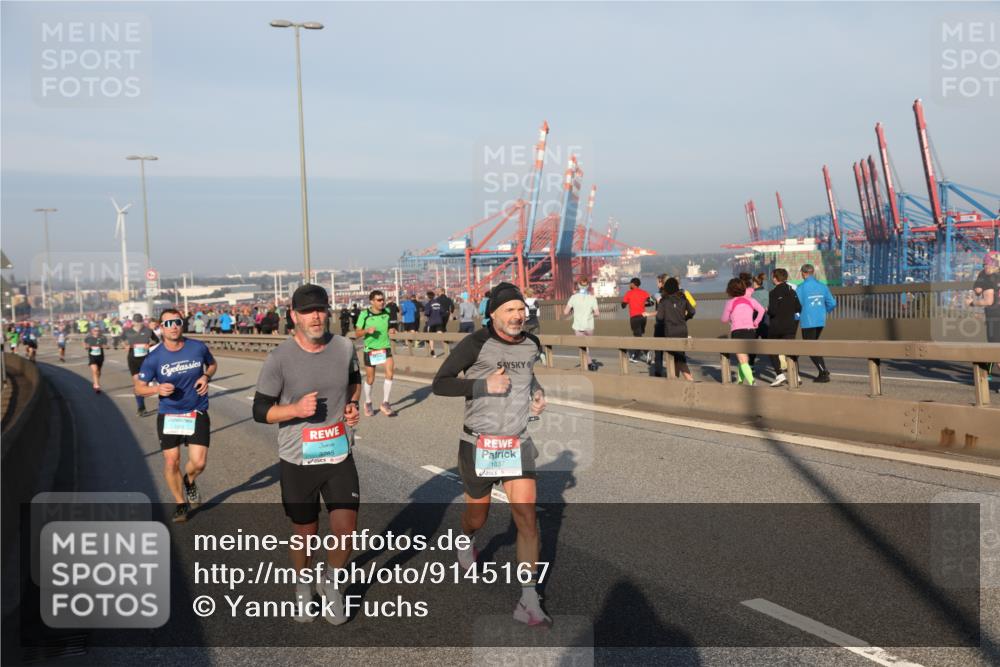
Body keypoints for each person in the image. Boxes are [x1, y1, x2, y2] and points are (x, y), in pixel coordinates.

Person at [431, 282, 552, 627]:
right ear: (493, 314)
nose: (517, 315)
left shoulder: (531, 344)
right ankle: (466, 538)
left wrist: (537, 393)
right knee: (477, 517)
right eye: (510, 310)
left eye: (521, 309)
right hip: (478, 444)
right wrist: (483, 385)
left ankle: (528, 599)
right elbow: (440, 383)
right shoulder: (475, 343)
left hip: (516, 442)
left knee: (527, 518)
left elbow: (528, 375)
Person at [252, 283, 362, 625]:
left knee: (346, 528)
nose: (315, 317)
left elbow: (354, 380)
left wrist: (352, 404)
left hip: (337, 452)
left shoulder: (344, 347)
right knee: (306, 533)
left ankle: (331, 582)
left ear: (328, 311)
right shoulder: (279, 358)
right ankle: (303, 584)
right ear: (293, 316)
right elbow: (260, 410)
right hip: (298, 459)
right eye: (307, 311)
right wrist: (295, 410)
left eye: (320, 309)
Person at [134, 308, 217, 523]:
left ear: (182, 324)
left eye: (177, 322)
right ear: (161, 328)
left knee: (199, 463)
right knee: (172, 462)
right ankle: (181, 504)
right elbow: (139, 388)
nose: (173, 327)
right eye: (168, 323)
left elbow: (212, 364)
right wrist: (156, 389)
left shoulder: (197, 347)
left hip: (196, 410)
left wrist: (206, 376)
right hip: (170, 414)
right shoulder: (154, 358)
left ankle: (189, 481)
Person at [356, 290, 397, 417]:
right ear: (372, 301)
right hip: (371, 350)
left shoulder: (387, 312)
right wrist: (367, 331)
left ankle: (385, 403)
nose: (382, 302)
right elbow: (357, 333)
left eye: (383, 299)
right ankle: (368, 402)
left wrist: (391, 329)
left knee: (390, 373)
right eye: (379, 300)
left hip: (385, 348)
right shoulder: (365, 314)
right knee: (370, 379)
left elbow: (390, 326)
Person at [796, 263, 837, 382]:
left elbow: (797, 305)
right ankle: (823, 370)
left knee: (810, 348)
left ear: (803, 273)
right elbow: (832, 303)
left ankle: (823, 373)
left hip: (808, 321)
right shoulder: (823, 286)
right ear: (812, 272)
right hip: (820, 320)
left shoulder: (801, 288)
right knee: (814, 346)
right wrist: (824, 311)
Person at [721, 278, 766, 385]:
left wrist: (731, 317)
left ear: (730, 290)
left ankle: (752, 382)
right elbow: (762, 310)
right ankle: (740, 381)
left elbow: (724, 319)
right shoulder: (751, 300)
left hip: (737, 332)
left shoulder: (730, 302)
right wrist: (756, 322)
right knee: (744, 358)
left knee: (742, 359)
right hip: (751, 331)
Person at [648, 278, 695, 381]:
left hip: (670, 331)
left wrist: (667, 317)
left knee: (678, 359)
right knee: (678, 357)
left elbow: (659, 317)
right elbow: (692, 311)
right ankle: (675, 380)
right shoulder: (683, 298)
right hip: (683, 331)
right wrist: (685, 318)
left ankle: (691, 381)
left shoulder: (664, 301)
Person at [767, 268, 802, 387]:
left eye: (773, 276)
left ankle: (779, 375)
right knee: (790, 350)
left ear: (775, 278)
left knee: (771, 349)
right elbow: (798, 308)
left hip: (776, 327)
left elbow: (773, 311)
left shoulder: (773, 292)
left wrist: (768, 310)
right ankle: (796, 375)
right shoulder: (792, 291)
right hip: (790, 326)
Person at [124, 313, 160, 417]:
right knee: (138, 384)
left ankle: (164, 403)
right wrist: (125, 345)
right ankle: (141, 407)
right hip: (133, 360)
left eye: (140, 322)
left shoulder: (148, 330)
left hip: (146, 360)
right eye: (136, 322)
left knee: (148, 383)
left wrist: (149, 345)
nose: (138, 324)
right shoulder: (127, 331)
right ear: (133, 322)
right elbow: (121, 341)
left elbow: (156, 340)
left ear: (142, 322)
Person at [564, 278, 600, 371]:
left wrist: (574, 310)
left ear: (578, 286)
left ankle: (589, 364)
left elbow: (565, 312)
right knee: (586, 346)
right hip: (589, 326)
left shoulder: (573, 298)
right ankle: (589, 364)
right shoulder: (592, 298)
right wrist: (589, 315)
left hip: (578, 326)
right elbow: (597, 313)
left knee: (582, 347)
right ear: (587, 286)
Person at [970, 250, 1000, 351]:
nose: (985, 266)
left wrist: (972, 303)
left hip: (995, 314)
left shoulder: (987, 276)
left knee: (994, 348)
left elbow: (987, 300)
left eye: (986, 264)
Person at [621, 278, 652, 363]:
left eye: (630, 283)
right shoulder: (644, 292)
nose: (629, 285)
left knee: (638, 337)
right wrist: (643, 304)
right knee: (639, 336)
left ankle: (646, 352)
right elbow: (651, 303)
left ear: (633, 284)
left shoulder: (629, 293)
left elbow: (623, 306)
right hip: (643, 317)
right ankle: (636, 356)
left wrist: (625, 302)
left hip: (634, 317)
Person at [83, 325, 107, 392]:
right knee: (95, 370)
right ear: (92, 331)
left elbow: (106, 345)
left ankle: (96, 382)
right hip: (92, 356)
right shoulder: (88, 337)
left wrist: (105, 346)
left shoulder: (103, 337)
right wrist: (86, 346)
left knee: (98, 372)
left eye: (98, 331)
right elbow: (85, 344)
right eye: (95, 331)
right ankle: (97, 385)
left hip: (100, 356)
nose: (97, 332)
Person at [424, 290, 445, 357]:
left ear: (428, 297)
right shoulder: (438, 303)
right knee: (441, 336)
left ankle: (433, 352)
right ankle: (446, 350)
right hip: (439, 321)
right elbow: (442, 311)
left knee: (431, 337)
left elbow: (427, 313)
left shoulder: (428, 304)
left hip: (431, 322)